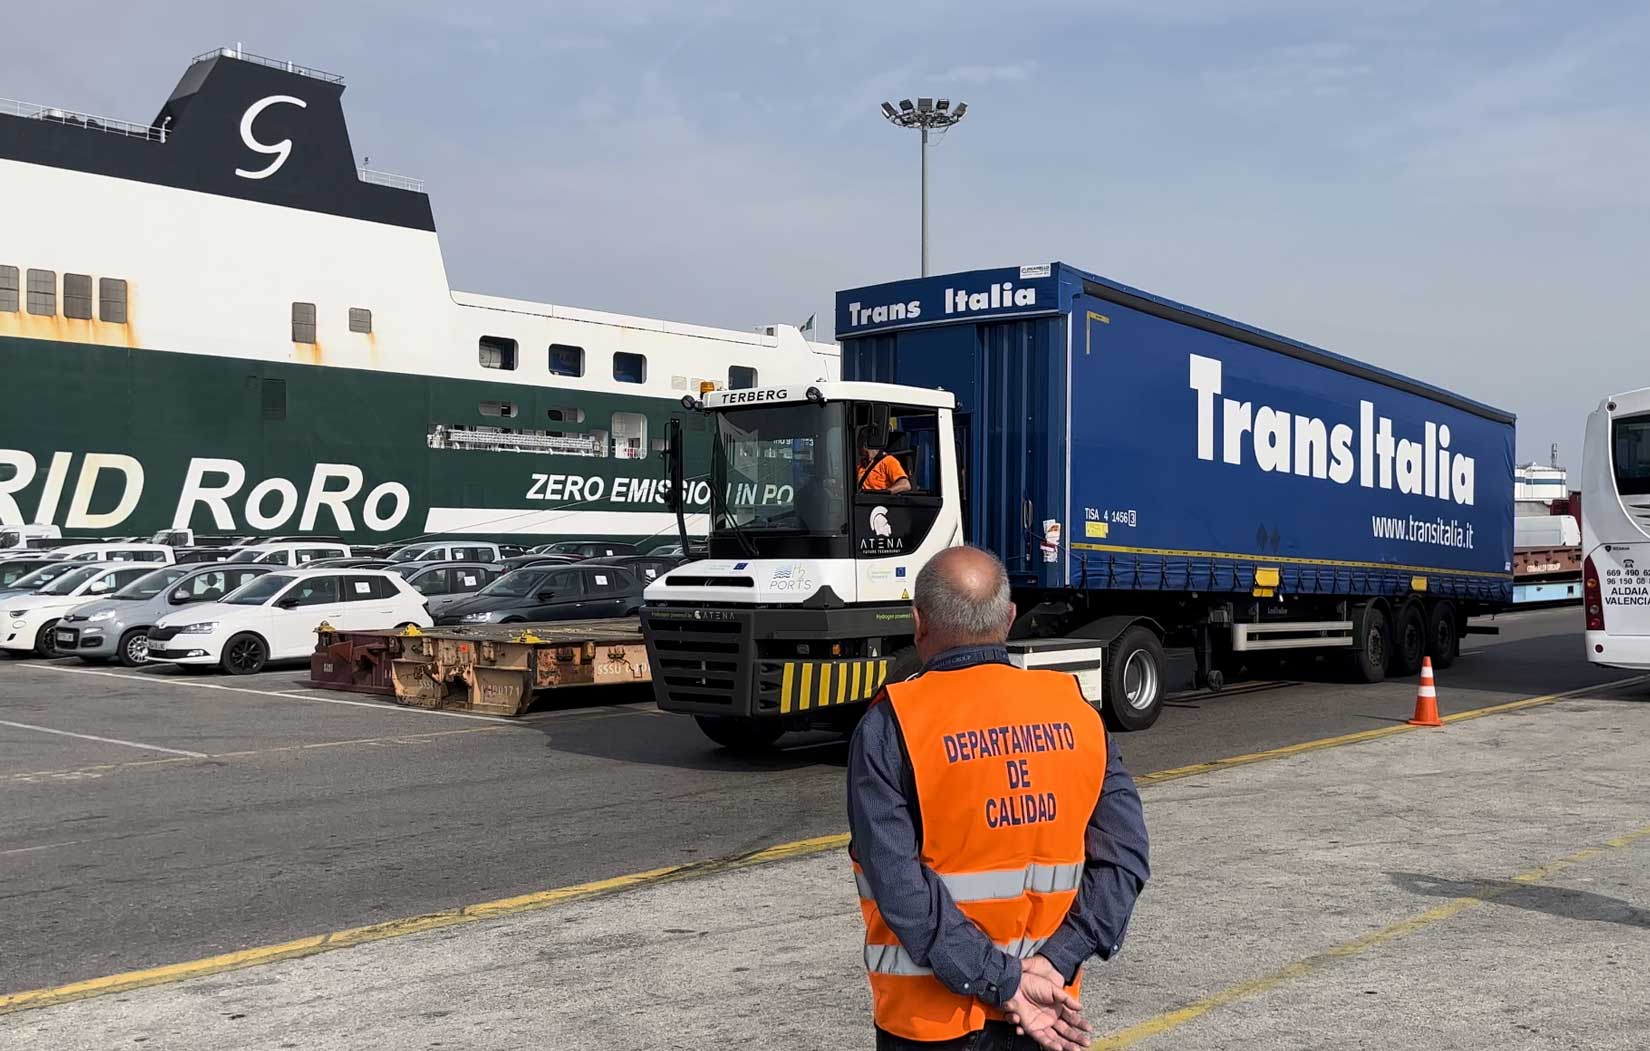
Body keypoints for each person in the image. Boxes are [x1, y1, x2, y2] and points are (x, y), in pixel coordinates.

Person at [847, 546, 1150, 1050]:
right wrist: (1054, 961)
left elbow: (901, 887)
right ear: (1009, 618)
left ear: (917, 622)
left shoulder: (892, 723)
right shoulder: (1075, 712)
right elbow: (1124, 856)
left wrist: (1004, 982)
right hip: (1048, 1009)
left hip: (933, 1022)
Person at [858, 429, 912, 494]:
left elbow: (905, 484)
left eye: (859, 443)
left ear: (864, 445)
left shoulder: (889, 461)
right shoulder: (861, 465)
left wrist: (886, 493)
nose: (858, 449)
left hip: (878, 501)